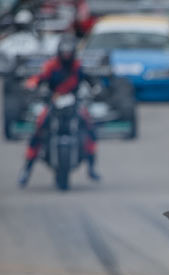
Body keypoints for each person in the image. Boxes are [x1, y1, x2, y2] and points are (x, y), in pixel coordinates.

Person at [18, 34, 100, 188]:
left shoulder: (77, 66)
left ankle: (91, 168)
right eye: (64, 52)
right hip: (53, 103)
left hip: (74, 103)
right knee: (39, 129)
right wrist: (32, 85)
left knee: (89, 127)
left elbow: (89, 79)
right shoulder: (51, 66)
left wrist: (96, 87)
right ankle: (26, 171)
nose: (67, 55)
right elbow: (39, 78)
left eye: (69, 52)